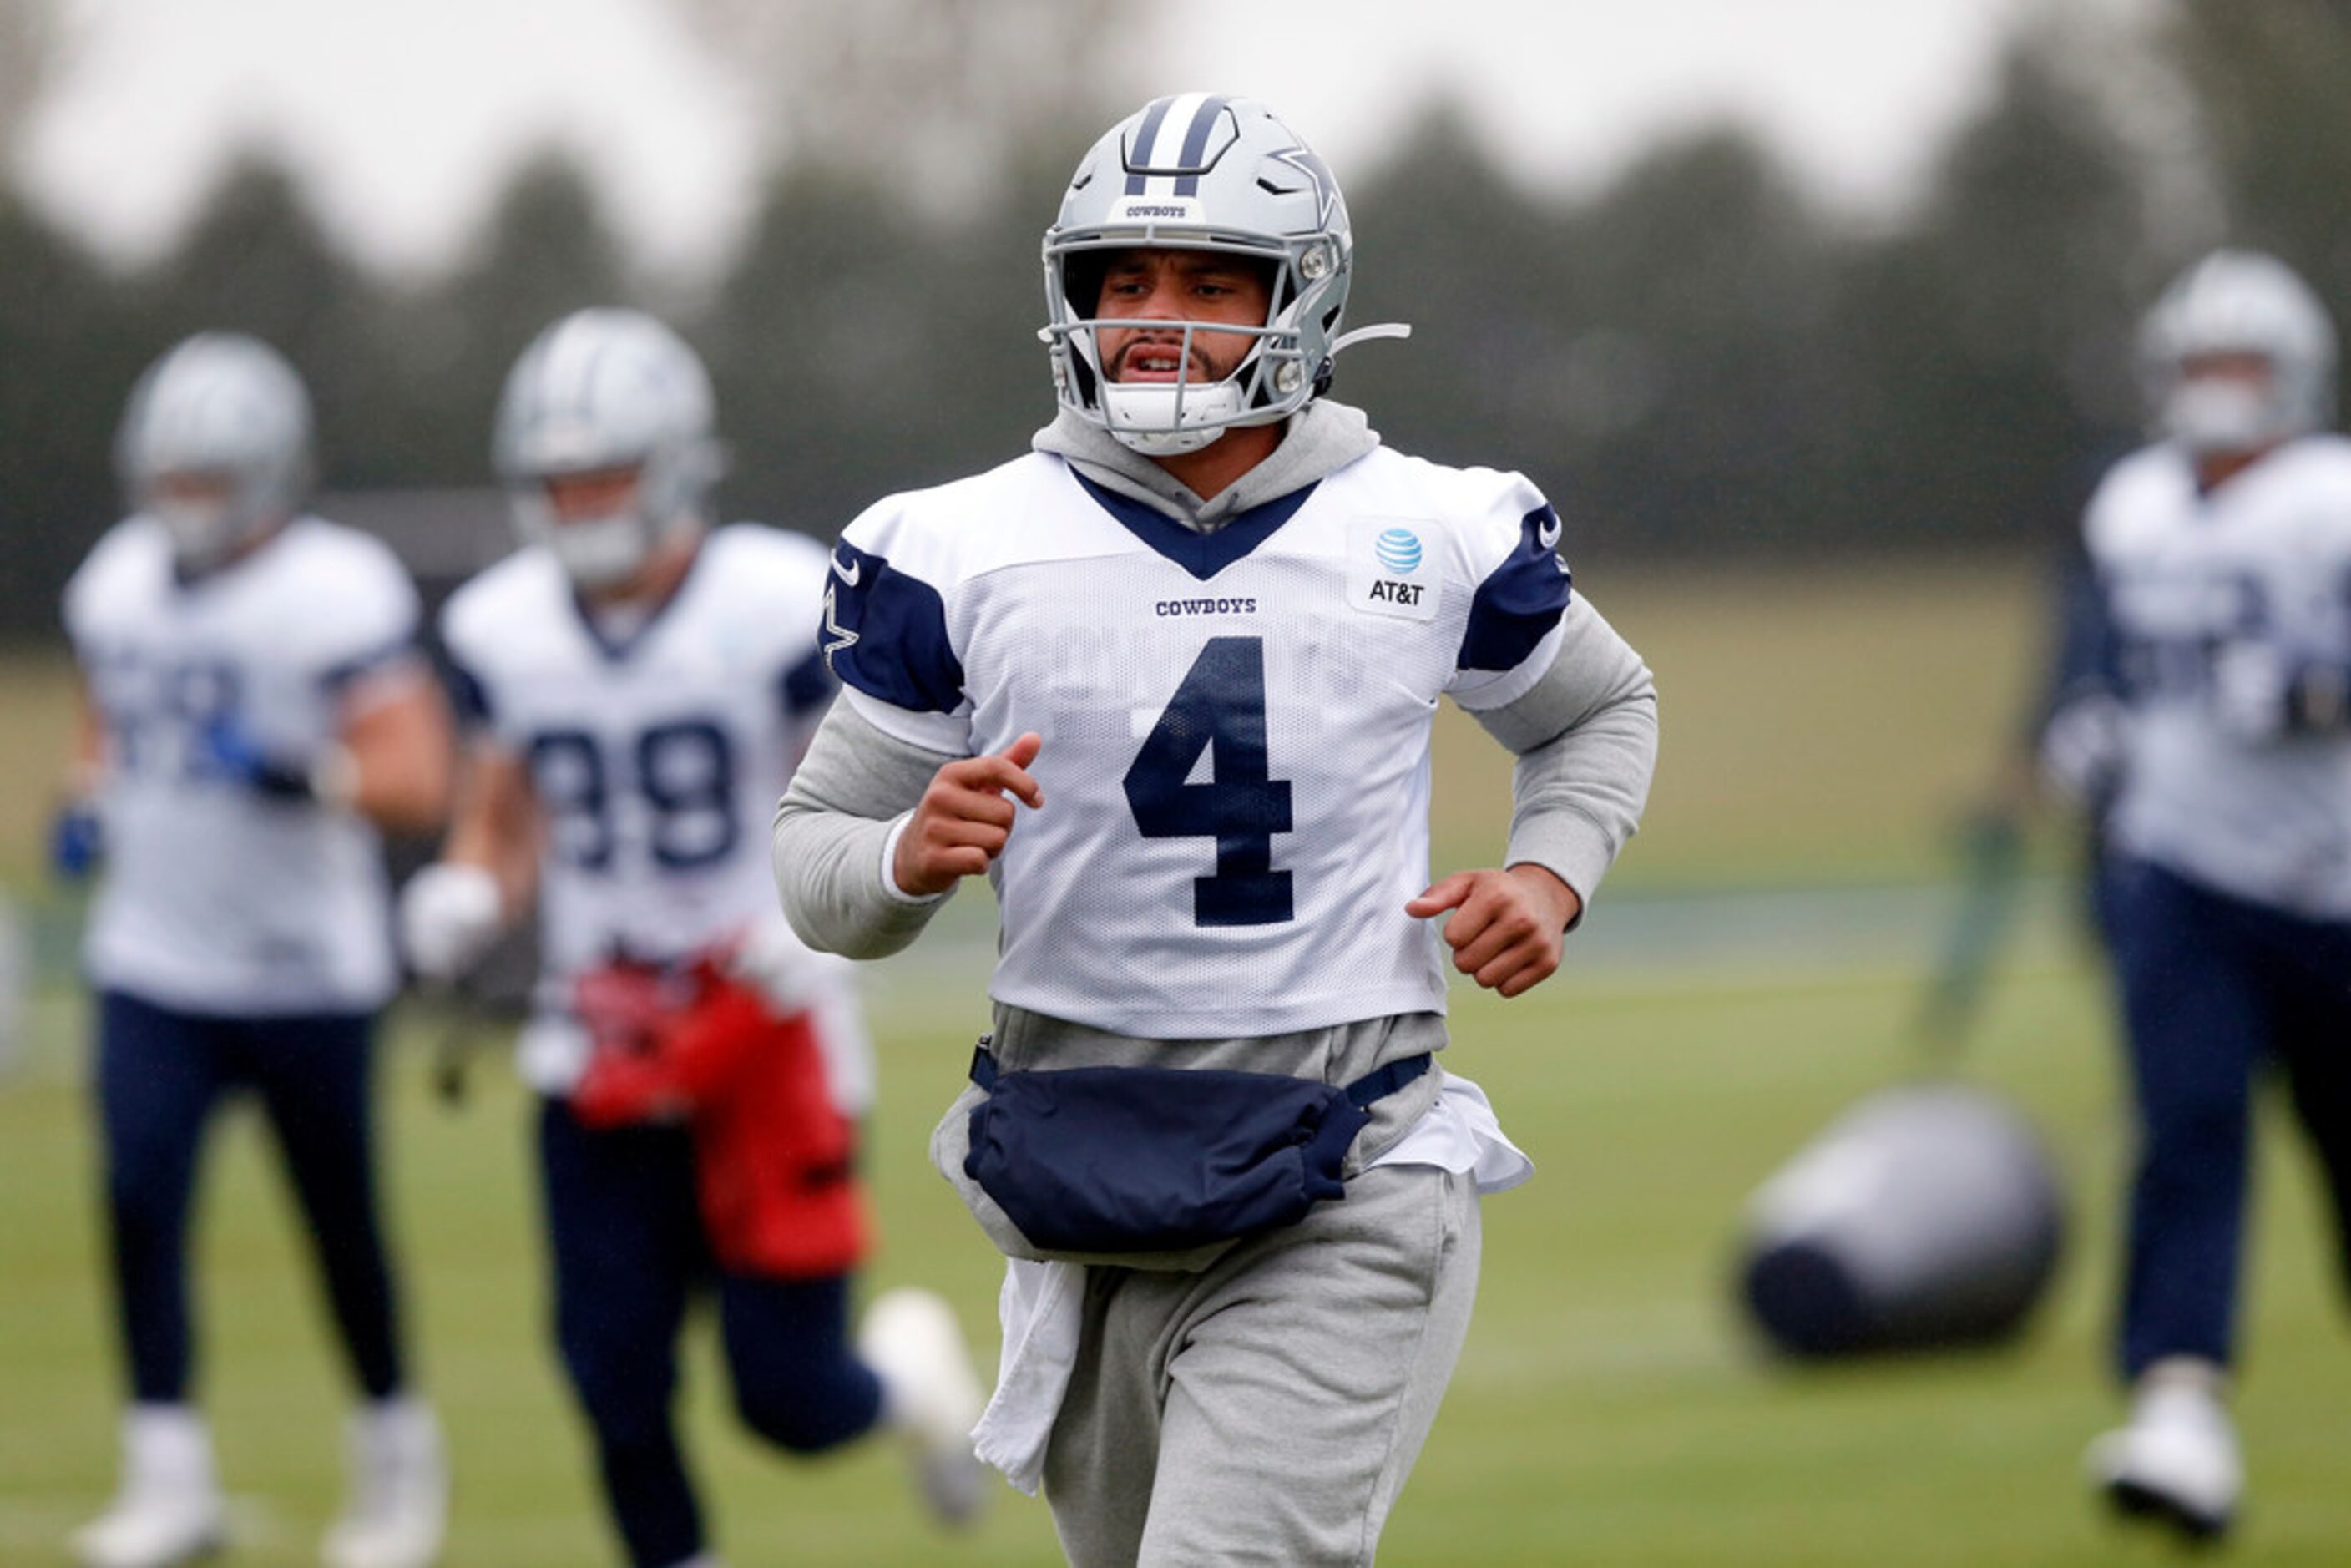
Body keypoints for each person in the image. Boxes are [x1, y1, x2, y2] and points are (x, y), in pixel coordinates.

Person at [773, 94, 1658, 1564]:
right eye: (1125, 282)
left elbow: (1598, 708)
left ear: (1302, 298)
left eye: (1209, 281)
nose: (1156, 322)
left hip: (1344, 1160)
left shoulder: (1431, 527)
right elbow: (817, 867)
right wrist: (901, 857)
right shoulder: (958, 546)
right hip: (1080, 1170)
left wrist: (1551, 874)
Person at [395, 307, 989, 1568]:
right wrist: (469, 884)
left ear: (671, 465)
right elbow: (502, 821)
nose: (580, 501)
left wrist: (816, 923)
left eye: (603, 471)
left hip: (769, 1025)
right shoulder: (508, 626)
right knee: (611, 1378)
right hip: (599, 1041)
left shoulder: (780, 601)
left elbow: (859, 789)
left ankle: (911, 1381)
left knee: (788, 1398)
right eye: (557, 479)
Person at [57, 333, 454, 1568]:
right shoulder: (115, 581)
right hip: (155, 959)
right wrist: (85, 795)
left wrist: (299, 771)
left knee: (338, 1222)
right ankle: (167, 1474)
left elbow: (415, 776)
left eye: (210, 476)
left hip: (302, 968)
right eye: (171, 477)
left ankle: (397, 1463)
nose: (186, 502)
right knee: (136, 1198)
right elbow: (106, 729)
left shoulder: (334, 587)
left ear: (272, 472)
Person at [2076, 249, 2351, 1543]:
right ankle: (2179, 1406)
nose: (2216, 390)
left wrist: (2311, 691)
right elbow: (2124, 664)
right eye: (2197, 365)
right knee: (2186, 1131)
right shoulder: (2134, 504)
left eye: (2237, 364)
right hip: (2181, 871)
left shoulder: (2332, 498)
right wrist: (2096, 729)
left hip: (2335, 884)